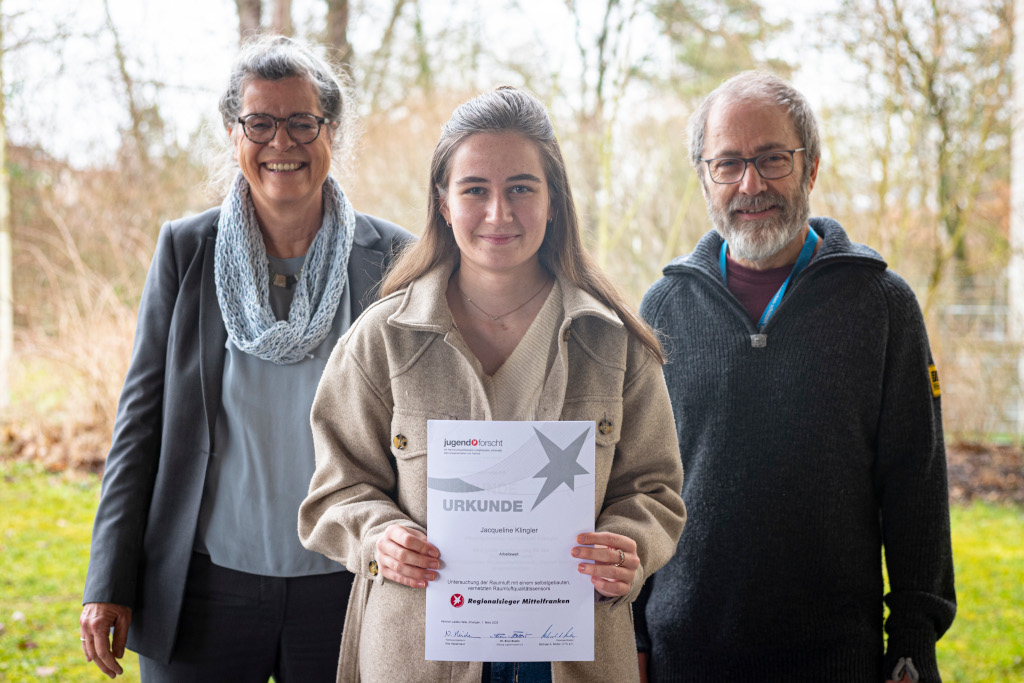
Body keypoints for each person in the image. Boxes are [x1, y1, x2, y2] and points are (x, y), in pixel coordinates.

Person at [297, 86, 687, 683]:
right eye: (475, 189)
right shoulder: (382, 339)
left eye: (522, 189)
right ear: (444, 204)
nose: (498, 213)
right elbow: (334, 493)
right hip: (419, 652)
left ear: (554, 201)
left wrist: (626, 544)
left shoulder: (615, 343)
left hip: (571, 654)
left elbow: (655, 491)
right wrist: (381, 538)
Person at [79, 36, 413, 681]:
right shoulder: (186, 249)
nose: (280, 142)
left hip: (346, 585)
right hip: (204, 587)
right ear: (234, 132)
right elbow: (139, 424)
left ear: (332, 132)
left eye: (301, 122)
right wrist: (107, 579)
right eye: (260, 122)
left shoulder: (391, 257)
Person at [635, 71, 956, 683]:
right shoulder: (662, 309)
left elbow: (917, 488)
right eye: (727, 164)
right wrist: (637, 636)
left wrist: (914, 640)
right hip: (684, 658)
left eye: (772, 159)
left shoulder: (883, 306)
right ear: (705, 178)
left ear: (810, 168)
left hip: (836, 659)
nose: (750, 184)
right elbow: (641, 487)